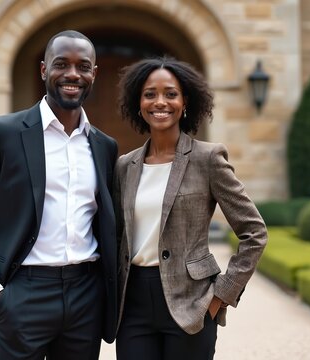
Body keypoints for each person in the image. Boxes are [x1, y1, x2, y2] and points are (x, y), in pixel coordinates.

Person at [0, 30, 118, 359]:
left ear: (94, 75)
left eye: (83, 66)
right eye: (61, 64)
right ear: (44, 70)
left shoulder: (105, 146)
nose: (72, 74)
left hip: (86, 295)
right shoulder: (2, 133)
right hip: (22, 294)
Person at [113, 57, 268, 360]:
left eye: (170, 93)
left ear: (185, 102)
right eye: (150, 94)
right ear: (138, 103)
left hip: (192, 302)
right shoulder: (124, 166)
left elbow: (254, 232)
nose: (160, 102)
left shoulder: (207, 159)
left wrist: (220, 297)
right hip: (133, 306)